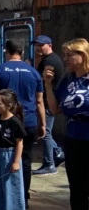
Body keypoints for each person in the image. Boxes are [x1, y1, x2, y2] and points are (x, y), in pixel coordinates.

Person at [42, 38, 89, 210]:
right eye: (65, 55)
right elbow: (55, 108)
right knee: (78, 191)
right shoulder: (69, 80)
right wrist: (48, 85)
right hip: (74, 139)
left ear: (84, 55)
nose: (66, 59)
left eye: (70, 55)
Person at [0, 39, 46, 207]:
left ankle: (5, 196)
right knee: (25, 160)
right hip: (29, 121)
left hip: (5, 123)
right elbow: (40, 101)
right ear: (22, 52)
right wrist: (42, 124)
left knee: (2, 159)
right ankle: (23, 196)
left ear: (6, 51)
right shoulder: (33, 72)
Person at [34, 35, 66, 175]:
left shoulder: (50, 61)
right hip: (48, 100)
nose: (38, 48)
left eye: (41, 45)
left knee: (45, 133)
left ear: (50, 45)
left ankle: (49, 164)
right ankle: (58, 153)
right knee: (45, 132)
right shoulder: (48, 59)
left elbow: (42, 79)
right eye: (37, 45)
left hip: (48, 101)